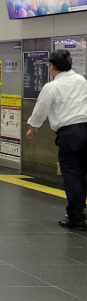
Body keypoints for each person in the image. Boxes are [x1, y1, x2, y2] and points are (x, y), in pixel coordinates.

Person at [26, 50, 87, 230]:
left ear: (52, 66)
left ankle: (76, 218)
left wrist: (33, 127)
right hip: (86, 128)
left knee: (72, 175)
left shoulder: (51, 87)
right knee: (83, 175)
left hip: (70, 134)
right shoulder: (81, 80)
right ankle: (80, 212)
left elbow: (41, 108)